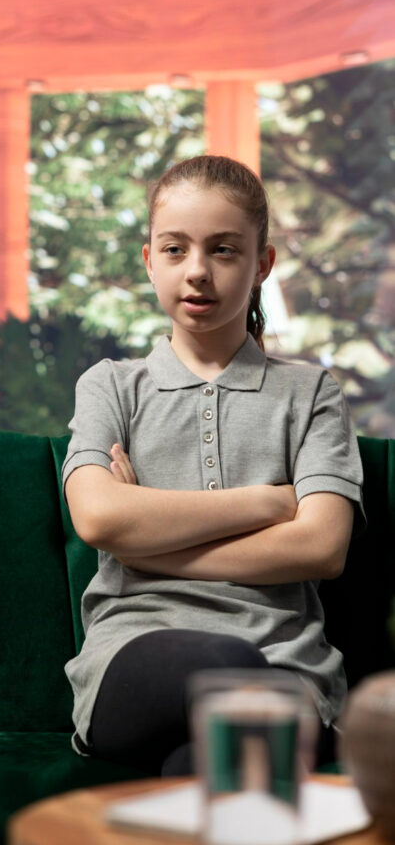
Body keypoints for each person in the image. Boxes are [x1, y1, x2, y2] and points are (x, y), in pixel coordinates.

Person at [61, 154, 365, 777]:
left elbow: (323, 548)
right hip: (135, 658)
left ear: (262, 265)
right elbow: (98, 518)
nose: (196, 272)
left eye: (223, 251)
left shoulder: (311, 393)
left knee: (198, 770)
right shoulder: (110, 387)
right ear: (150, 261)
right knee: (236, 681)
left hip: (287, 666)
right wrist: (267, 504)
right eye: (175, 250)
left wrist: (146, 546)